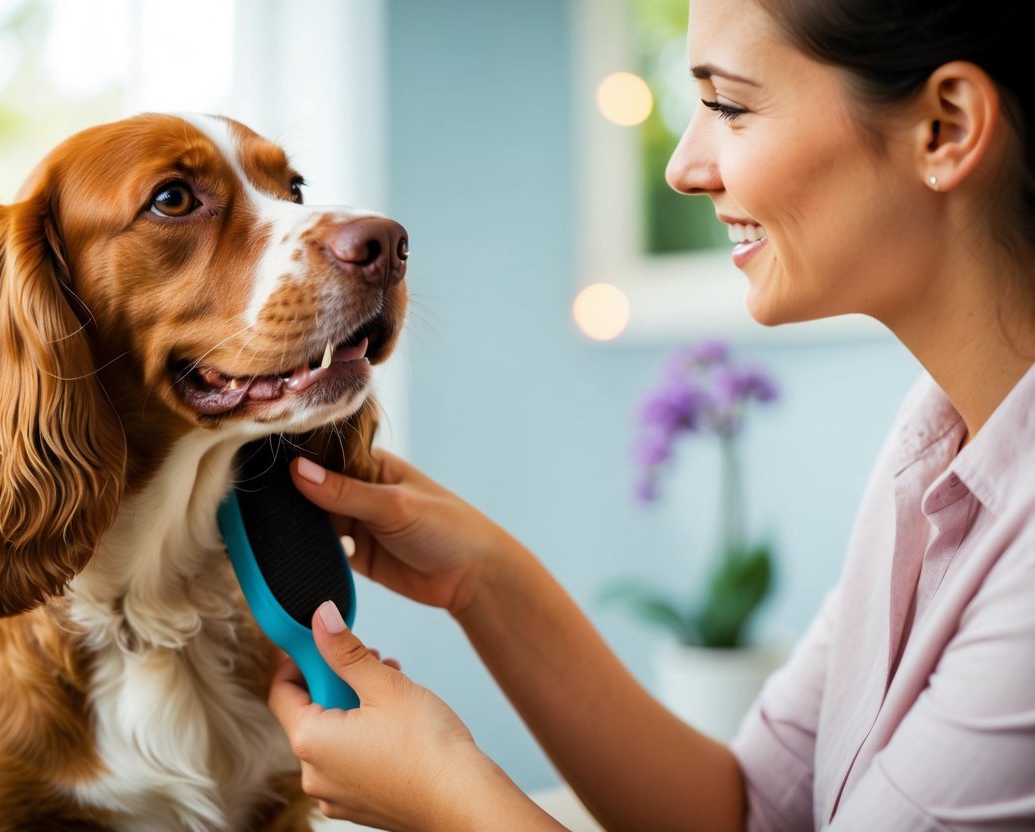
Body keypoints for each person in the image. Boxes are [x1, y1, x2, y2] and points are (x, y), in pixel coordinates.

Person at [267, 0, 1035, 828]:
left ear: (944, 128)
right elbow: (747, 812)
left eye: (729, 106)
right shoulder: (936, 445)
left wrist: (452, 801)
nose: (682, 167)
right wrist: (486, 582)